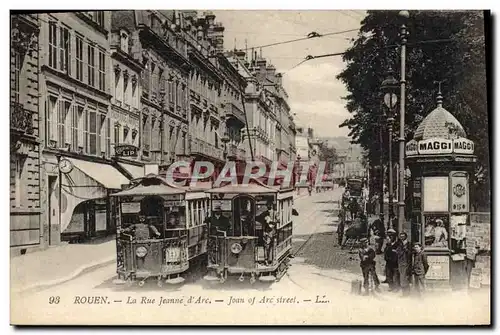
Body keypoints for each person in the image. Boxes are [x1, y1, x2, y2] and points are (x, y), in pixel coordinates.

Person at [396, 232, 412, 296]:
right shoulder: (399, 244)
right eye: (401, 236)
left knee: (406, 278)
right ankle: (404, 293)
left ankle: (407, 293)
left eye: (403, 236)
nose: (402, 237)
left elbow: (410, 253)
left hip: (406, 263)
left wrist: (406, 250)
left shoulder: (409, 244)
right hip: (401, 263)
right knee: (402, 278)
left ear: (406, 237)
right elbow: (398, 252)